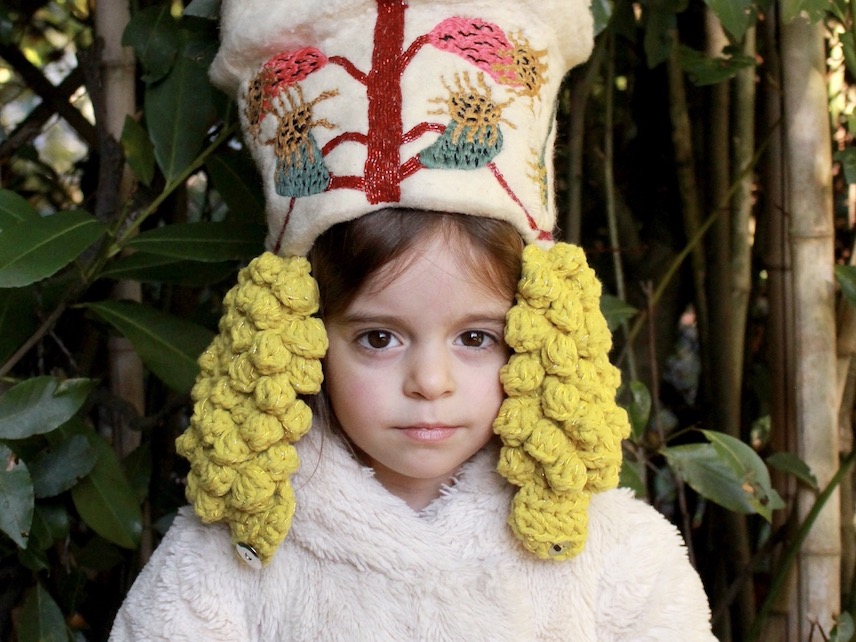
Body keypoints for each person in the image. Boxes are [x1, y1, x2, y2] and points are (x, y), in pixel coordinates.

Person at [111, 0, 716, 639]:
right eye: (378, 338)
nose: (430, 381)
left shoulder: (622, 559)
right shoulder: (227, 560)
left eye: (477, 338)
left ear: (543, 333)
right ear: (297, 335)